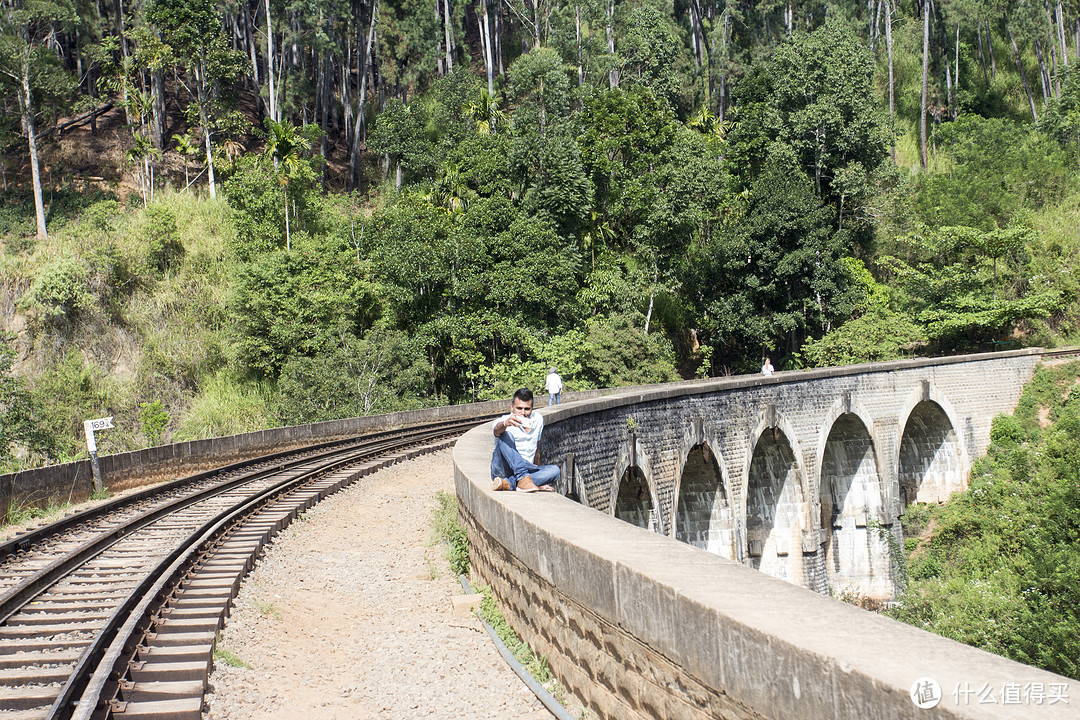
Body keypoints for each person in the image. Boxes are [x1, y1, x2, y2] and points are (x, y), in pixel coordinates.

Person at [490, 388, 560, 493]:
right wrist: (506, 424)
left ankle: (510, 483)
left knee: (555, 471)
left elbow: (537, 449)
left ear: (532, 408)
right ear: (511, 407)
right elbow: (496, 430)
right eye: (519, 408)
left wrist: (540, 478)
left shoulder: (538, 420)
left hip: (528, 468)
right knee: (505, 435)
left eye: (527, 409)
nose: (523, 413)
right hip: (504, 468)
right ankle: (522, 478)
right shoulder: (503, 422)